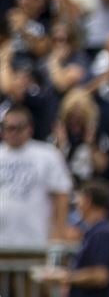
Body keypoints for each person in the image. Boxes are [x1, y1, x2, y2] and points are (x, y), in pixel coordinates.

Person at [42, 180, 109, 297]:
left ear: (88, 200)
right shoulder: (93, 232)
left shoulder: (103, 233)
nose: (76, 203)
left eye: (79, 198)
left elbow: (101, 275)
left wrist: (65, 277)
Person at [0, 106, 71, 247]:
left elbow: (62, 194)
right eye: (9, 128)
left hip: (36, 239)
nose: (13, 133)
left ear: (30, 128)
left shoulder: (47, 155)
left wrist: (59, 233)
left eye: (19, 128)